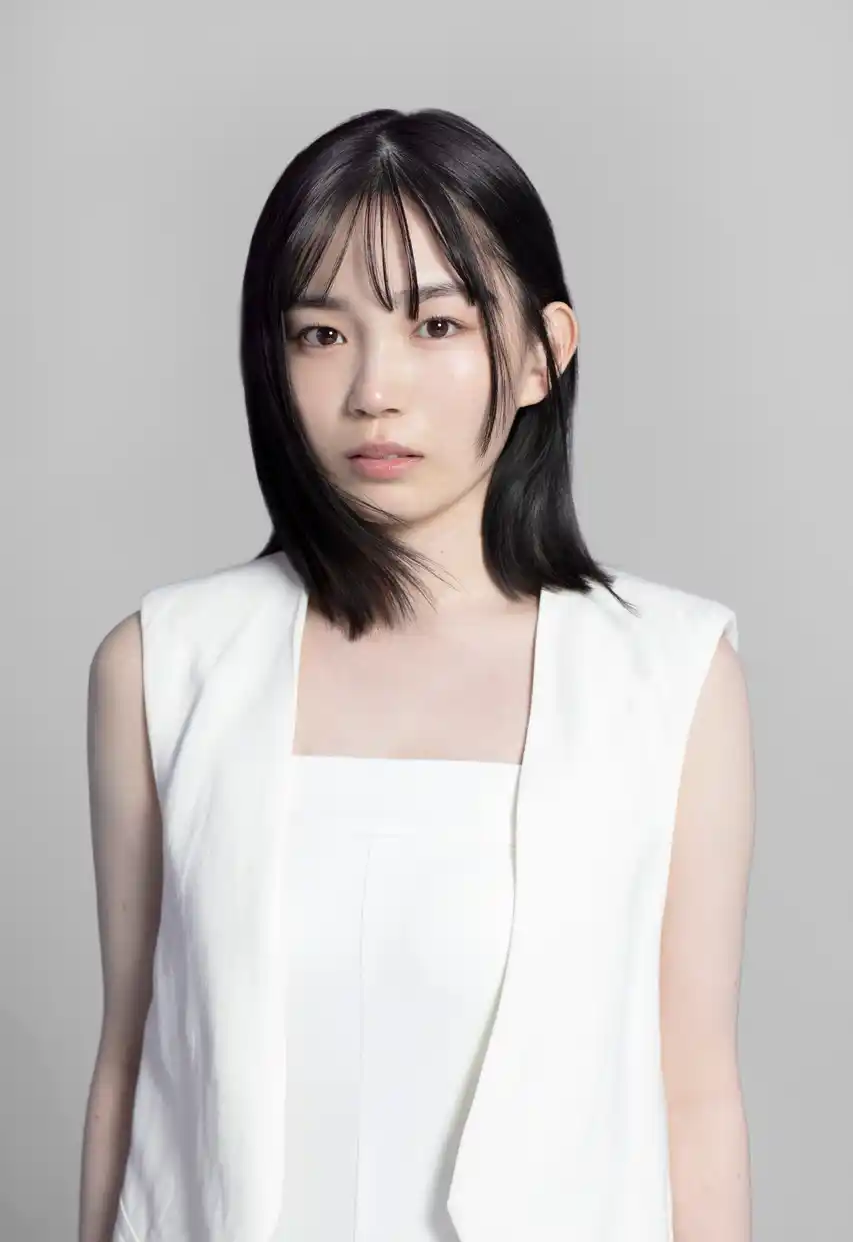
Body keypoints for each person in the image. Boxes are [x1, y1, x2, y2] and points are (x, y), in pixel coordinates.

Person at [80, 108, 754, 1242]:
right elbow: (130, 1062)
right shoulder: (165, 664)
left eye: (435, 324)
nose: (372, 390)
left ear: (542, 353)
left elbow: (694, 1094)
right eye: (319, 333)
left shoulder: (667, 675)